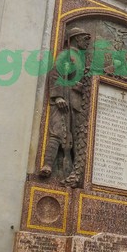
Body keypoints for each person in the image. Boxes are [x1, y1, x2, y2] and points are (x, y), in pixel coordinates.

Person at [39, 25, 90, 187]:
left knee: (74, 136)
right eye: (84, 39)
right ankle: (48, 164)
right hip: (65, 98)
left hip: (76, 101)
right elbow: (56, 73)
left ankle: (72, 172)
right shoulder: (67, 54)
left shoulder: (80, 58)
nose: (87, 43)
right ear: (75, 39)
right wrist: (59, 96)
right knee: (57, 130)